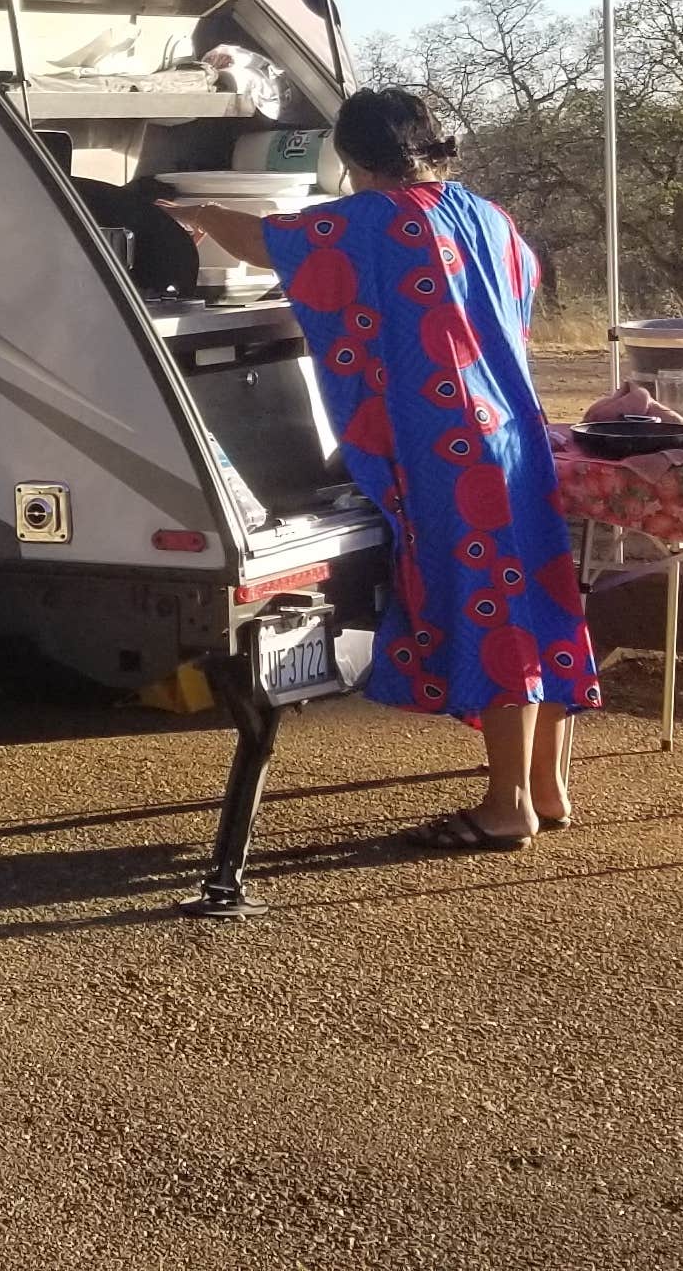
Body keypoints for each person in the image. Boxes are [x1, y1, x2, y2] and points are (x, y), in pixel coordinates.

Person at [160, 89, 597, 851]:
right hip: (517, 437)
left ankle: (506, 806)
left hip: (450, 447)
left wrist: (188, 213)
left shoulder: (373, 219)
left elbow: (265, 242)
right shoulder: (487, 216)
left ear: (354, 159)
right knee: (538, 600)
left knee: (488, 612)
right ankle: (548, 788)